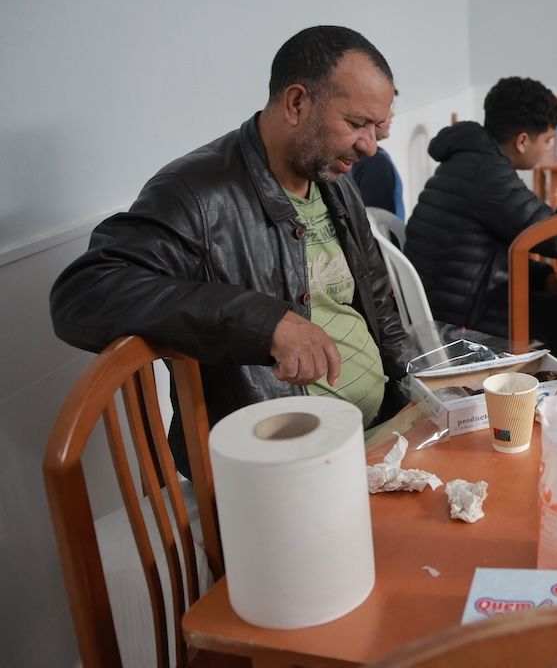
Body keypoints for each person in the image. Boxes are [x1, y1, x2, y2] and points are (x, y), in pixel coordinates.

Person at [50, 25, 409, 474]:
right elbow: (83, 294)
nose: (370, 146)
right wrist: (265, 322)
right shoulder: (196, 193)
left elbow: (378, 305)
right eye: (356, 124)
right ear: (297, 103)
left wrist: (422, 389)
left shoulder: (332, 177)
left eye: (377, 127)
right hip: (283, 466)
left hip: (381, 435)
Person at [404, 76, 557, 366]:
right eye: (547, 141)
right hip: (462, 326)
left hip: (453, 304)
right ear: (523, 140)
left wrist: (541, 276)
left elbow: (491, 249)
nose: (548, 149)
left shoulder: (473, 159)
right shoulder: (488, 173)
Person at [350, 107, 405, 219]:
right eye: (389, 106)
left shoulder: (372, 157)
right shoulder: (375, 161)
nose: (393, 114)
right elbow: (379, 221)